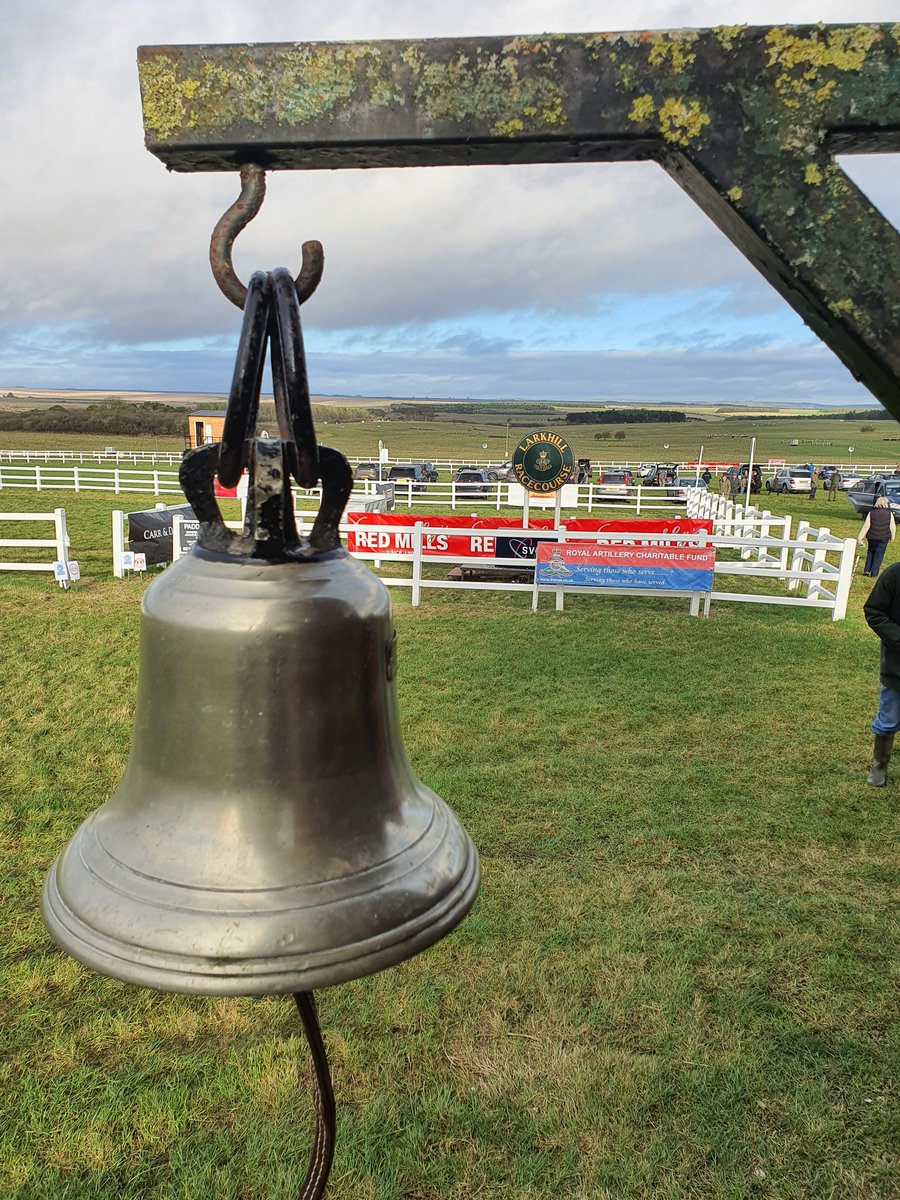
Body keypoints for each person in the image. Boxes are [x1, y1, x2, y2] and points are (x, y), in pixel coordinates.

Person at [862, 561, 900, 784]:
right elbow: (874, 611)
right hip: (897, 668)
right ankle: (879, 767)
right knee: (888, 718)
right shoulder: (894, 574)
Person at [858, 497, 896, 577]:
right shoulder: (889, 513)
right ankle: (874, 573)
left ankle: (867, 570)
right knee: (879, 555)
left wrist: (860, 537)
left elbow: (866, 526)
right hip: (884, 537)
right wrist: (892, 537)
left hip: (872, 537)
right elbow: (892, 526)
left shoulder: (871, 512)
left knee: (870, 552)